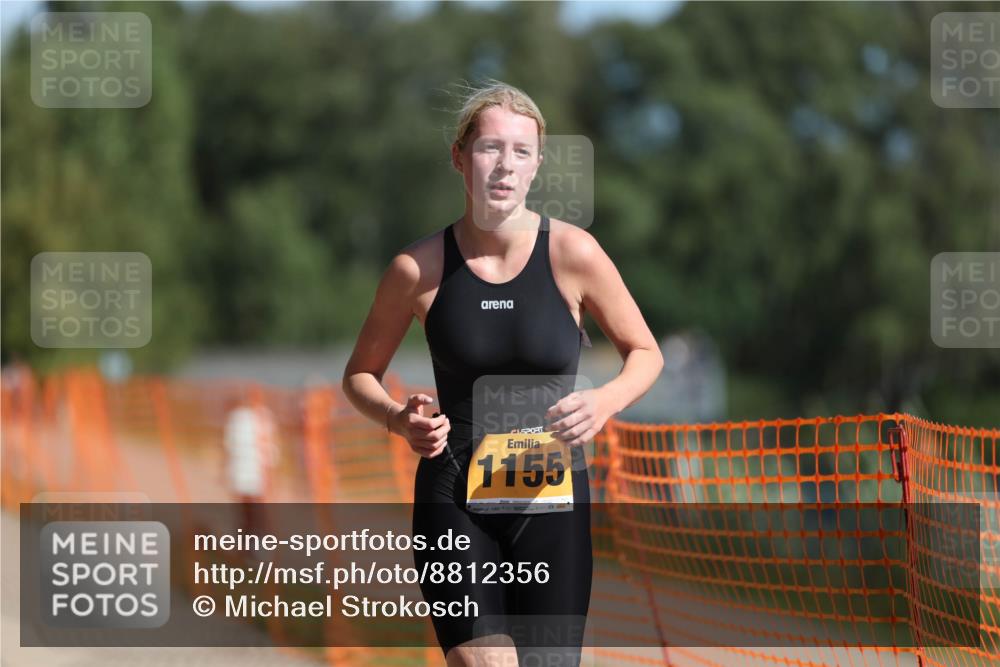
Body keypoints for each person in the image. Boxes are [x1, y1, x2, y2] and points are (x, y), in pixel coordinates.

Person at [342, 79, 663, 666]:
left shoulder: (574, 254)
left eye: (521, 151)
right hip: (453, 492)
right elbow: (360, 375)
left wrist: (605, 401)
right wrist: (398, 418)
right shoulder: (418, 267)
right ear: (459, 157)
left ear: (538, 164)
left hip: (552, 496)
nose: (504, 166)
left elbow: (646, 353)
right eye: (491, 148)